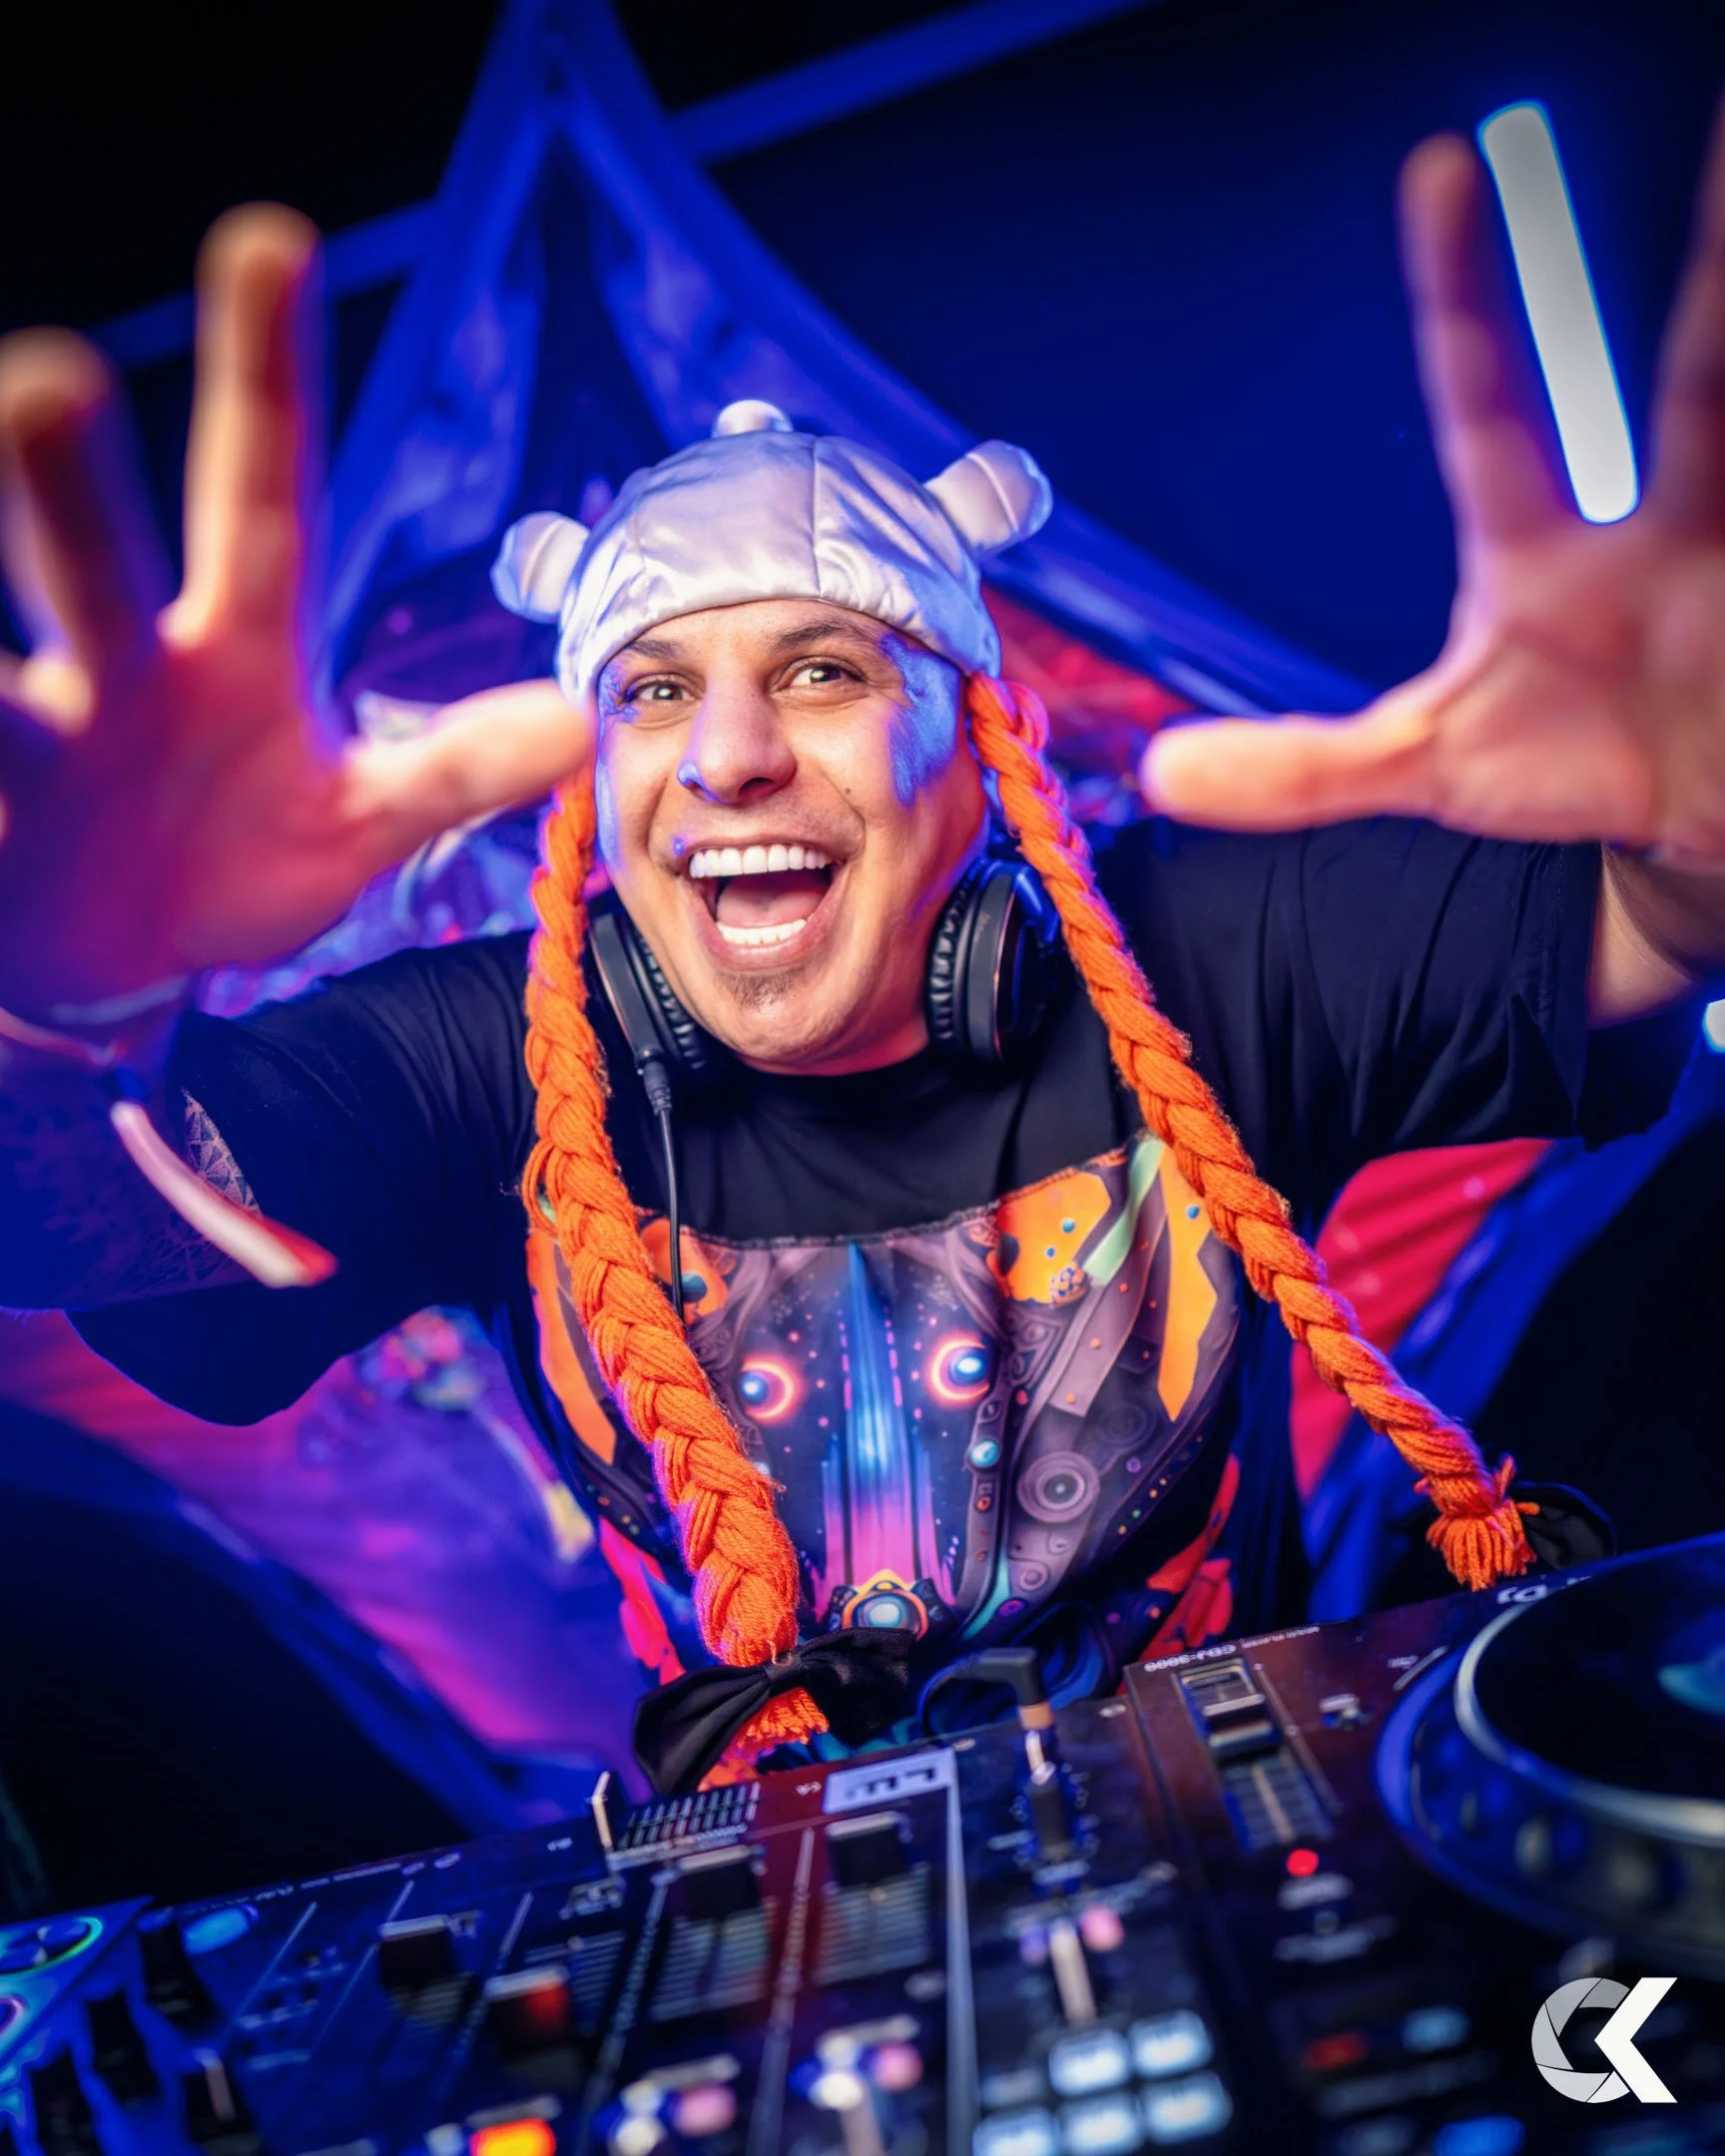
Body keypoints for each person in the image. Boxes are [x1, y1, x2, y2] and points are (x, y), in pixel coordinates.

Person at [2, 120, 1723, 1794]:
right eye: (654, 693)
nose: (728, 755)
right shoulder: (490, 1057)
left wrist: (1697, 816)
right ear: (592, 788)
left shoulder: (1211, 949)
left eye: (824, 671)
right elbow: (102, 1238)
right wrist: (59, 1029)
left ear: (981, 751)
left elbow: (1655, 928)